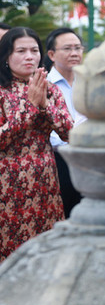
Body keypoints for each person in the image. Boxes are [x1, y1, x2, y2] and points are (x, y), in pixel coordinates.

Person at [0, 27, 73, 261]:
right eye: (20, 51)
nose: (29, 56)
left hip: (45, 180)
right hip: (8, 183)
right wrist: (30, 107)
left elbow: (69, 132)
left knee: (46, 249)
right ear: (6, 57)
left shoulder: (50, 89)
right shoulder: (1, 91)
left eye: (34, 50)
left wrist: (44, 106)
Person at [45, 27, 85, 216]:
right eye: (68, 49)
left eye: (78, 48)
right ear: (51, 54)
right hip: (58, 161)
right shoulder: (43, 85)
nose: (75, 53)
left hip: (89, 159)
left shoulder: (88, 82)